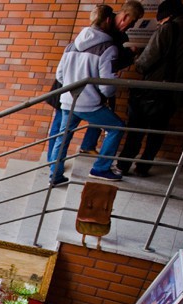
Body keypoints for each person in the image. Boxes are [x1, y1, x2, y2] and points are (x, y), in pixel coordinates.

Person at [116, 0, 183, 177]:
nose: (158, 23)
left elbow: (145, 63)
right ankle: (144, 167)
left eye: (159, 20)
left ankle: (123, 165)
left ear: (167, 16)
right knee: (157, 132)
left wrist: (135, 58)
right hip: (176, 91)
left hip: (152, 90)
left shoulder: (169, 29)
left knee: (137, 129)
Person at [47, 1, 144, 160]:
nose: (130, 26)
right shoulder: (104, 25)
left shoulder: (93, 33)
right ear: (125, 16)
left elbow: (108, 62)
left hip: (74, 88)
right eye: (131, 21)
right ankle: (52, 162)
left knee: (64, 131)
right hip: (78, 88)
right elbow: (106, 63)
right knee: (62, 128)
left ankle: (57, 165)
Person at [49, 4, 124, 185]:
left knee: (63, 137)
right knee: (117, 127)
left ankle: (55, 175)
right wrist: (105, 93)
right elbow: (107, 85)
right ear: (108, 20)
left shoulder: (71, 46)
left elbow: (59, 75)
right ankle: (101, 168)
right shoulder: (108, 47)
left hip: (68, 100)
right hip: (89, 103)